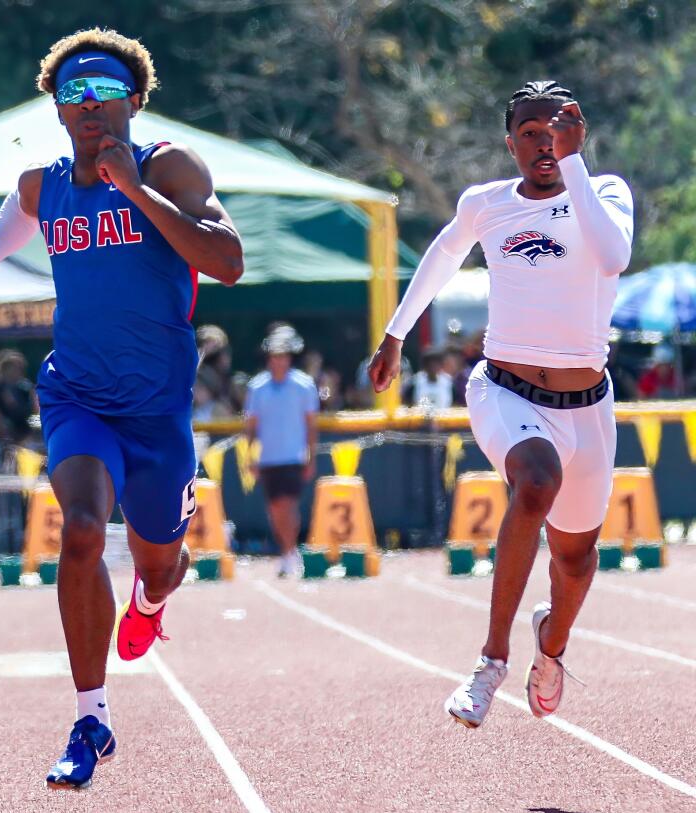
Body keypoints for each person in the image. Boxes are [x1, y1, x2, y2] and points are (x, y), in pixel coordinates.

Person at [0, 28, 243, 789]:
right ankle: (91, 718)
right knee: (77, 530)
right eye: (74, 94)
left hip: (157, 407)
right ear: (57, 109)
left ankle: (151, 593)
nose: (90, 105)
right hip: (76, 394)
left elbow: (228, 262)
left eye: (106, 91)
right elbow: (17, 209)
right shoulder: (46, 184)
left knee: (161, 567)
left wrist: (135, 190)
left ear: (134, 100)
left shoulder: (170, 165)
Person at [369, 81, 632, 729]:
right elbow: (443, 254)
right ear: (510, 142)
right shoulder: (486, 204)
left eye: (558, 130)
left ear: (578, 132)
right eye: (531, 134)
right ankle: (491, 661)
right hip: (506, 388)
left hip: (588, 404)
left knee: (574, 560)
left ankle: (554, 645)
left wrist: (576, 164)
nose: (545, 144)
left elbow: (614, 256)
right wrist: (396, 333)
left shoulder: (605, 194)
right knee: (535, 482)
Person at [244, 327, 320, 578]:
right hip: (268, 457)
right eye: (275, 355)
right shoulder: (257, 387)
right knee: (275, 508)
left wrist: (311, 455)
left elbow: (310, 424)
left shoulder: (303, 385)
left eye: (283, 355)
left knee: (288, 505)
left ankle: (289, 553)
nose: (279, 360)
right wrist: (250, 456)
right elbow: (252, 427)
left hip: (293, 456)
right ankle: (287, 551)